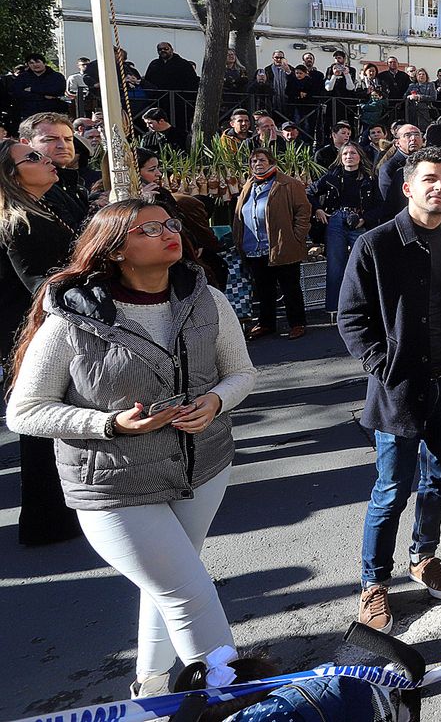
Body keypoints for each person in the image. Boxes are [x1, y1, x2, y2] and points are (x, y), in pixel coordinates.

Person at [7, 200, 257, 698]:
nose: (170, 233)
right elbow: (24, 410)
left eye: (170, 224)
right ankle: (230, 696)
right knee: (187, 591)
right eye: (151, 228)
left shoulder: (208, 300)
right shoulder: (71, 319)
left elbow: (242, 373)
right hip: (113, 486)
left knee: (168, 583)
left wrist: (214, 401)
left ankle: (151, 687)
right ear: (117, 249)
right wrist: (108, 424)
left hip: (202, 469)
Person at [337, 146, 441, 633]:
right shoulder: (375, 245)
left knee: (437, 480)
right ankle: (373, 583)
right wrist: (385, 366)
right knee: (391, 490)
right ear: (407, 187)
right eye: (429, 179)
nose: (438, 186)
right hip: (399, 390)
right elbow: (352, 318)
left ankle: (424, 556)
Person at [0, 138, 82, 546]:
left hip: (51, 325)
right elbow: (36, 284)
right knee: (40, 424)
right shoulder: (17, 220)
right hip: (32, 334)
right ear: (14, 175)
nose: (46, 158)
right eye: (32, 157)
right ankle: (45, 522)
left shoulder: (50, 204)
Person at [232, 148, 311, 340]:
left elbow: (303, 210)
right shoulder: (247, 186)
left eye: (261, 160)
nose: (257, 164)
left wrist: (296, 236)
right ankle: (266, 323)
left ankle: (297, 323)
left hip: (282, 245)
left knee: (289, 287)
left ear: (271, 162)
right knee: (263, 288)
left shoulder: (288, 184)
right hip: (254, 247)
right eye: (253, 161)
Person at [311, 144, 378, 315]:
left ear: (360, 156)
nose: (349, 156)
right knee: (335, 264)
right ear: (340, 157)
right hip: (335, 220)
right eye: (346, 153)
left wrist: (364, 219)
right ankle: (335, 308)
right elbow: (309, 192)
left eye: (353, 153)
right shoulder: (331, 177)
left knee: (363, 263)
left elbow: (380, 205)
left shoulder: (369, 179)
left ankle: (365, 305)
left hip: (359, 221)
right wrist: (318, 209)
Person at [371, 123, 423, 226]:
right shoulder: (389, 168)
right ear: (397, 142)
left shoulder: (426, 163)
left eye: (417, 134)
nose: (413, 138)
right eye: (407, 135)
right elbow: (389, 201)